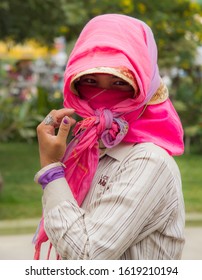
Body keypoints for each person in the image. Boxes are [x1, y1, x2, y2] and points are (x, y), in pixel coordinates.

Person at [33, 14, 185, 260]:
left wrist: (51, 169)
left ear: (144, 87)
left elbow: (86, 254)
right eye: (90, 80)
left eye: (119, 82)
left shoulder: (148, 161)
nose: (103, 94)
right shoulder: (87, 150)